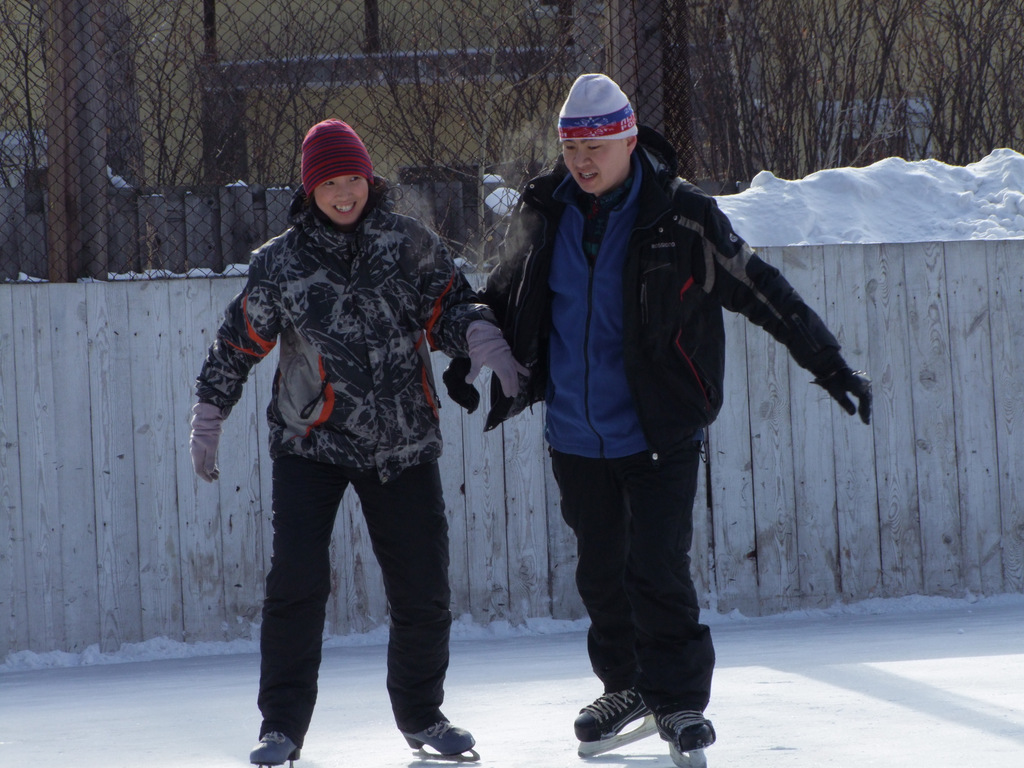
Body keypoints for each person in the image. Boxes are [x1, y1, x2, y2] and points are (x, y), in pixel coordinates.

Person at [447, 74, 871, 764]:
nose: (582, 162)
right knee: (600, 572)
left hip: (660, 428)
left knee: (657, 568)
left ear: (628, 140)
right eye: (571, 148)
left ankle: (677, 700)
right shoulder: (547, 208)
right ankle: (625, 687)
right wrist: (472, 356)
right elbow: (504, 294)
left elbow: (762, 288)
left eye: (596, 147)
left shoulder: (683, 215)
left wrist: (829, 363)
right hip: (574, 432)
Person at [189, 119, 525, 766]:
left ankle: (423, 716)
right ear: (309, 189)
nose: (344, 194)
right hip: (310, 443)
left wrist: (480, 336)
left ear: (369, 179)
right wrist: (209, 413)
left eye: (353, 180)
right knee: (296, 584)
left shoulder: (409, 243)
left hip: (402, 442)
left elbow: (450, 306)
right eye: (329, 184)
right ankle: (280, 727)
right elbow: (238, 343)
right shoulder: (280, 262)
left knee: (422, 588)